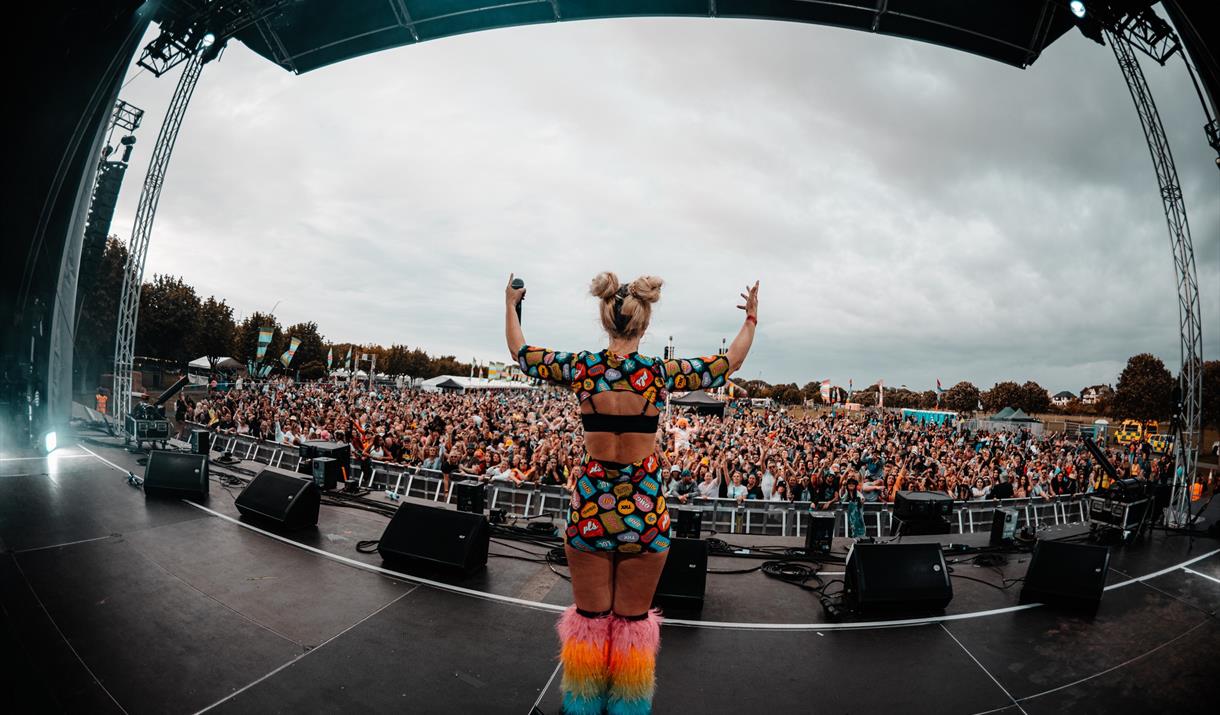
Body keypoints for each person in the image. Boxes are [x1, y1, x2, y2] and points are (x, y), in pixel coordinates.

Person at [507, 271, 757, 715]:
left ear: (607, 320)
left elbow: (520, 353)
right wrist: (751, 319)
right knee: (633, 626)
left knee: (589, 623)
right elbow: (727, 364)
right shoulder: (659, 373)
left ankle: (582, 708)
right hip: (645, 513)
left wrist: (510, 304)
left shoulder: (583, 368)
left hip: (589, 510)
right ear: (643, 325)